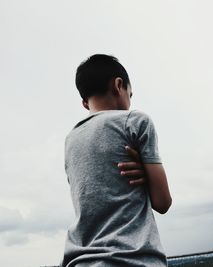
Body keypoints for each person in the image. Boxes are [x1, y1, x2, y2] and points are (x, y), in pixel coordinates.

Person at [61, 54, 172, 267]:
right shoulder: (135, 121)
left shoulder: (71, 140)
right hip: (133, 259)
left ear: (85, 103)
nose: (130, 101)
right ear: (118, 85)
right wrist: (147, 175)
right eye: (130, 94)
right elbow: (162, 202)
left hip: (81, 260)